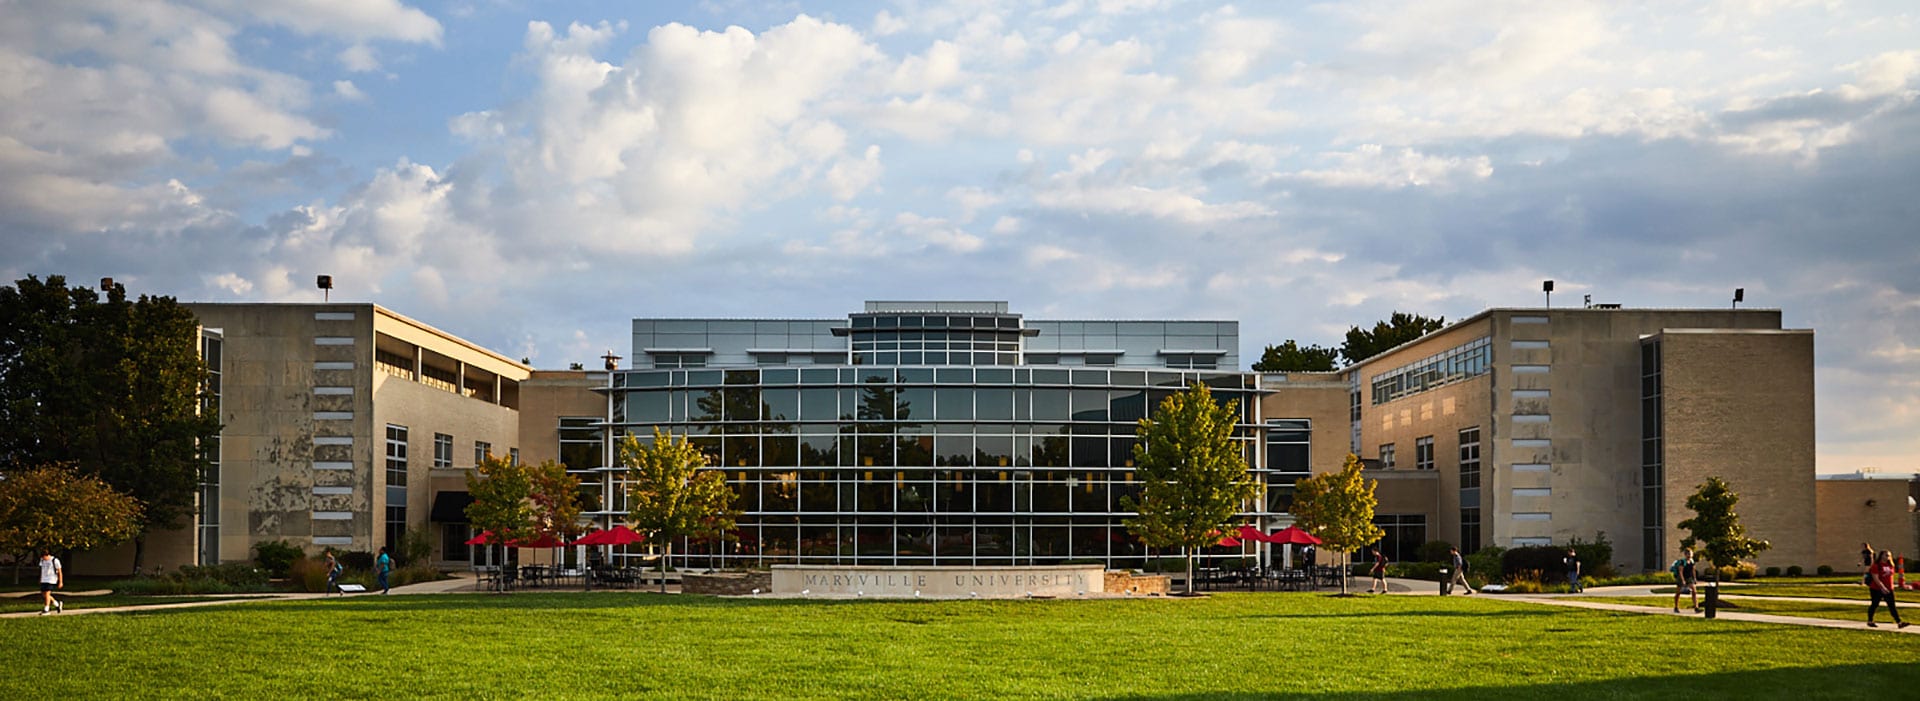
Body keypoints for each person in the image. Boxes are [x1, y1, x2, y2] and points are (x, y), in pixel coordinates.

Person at [1866, 549, 1910, 629]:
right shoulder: (1876, 566)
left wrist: (1892, 587)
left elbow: (1891, 577)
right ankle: (1870, 621)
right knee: (1875, 604)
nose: (1888, 557)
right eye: (1886, 555)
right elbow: (1876, 578)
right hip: (1877, 589)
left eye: (1889, 555)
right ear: (1881, 556)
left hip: (1889, 589)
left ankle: (1899, 622)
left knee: (1892, 606)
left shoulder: (1890, 565)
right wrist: (1882, 587)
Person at [1671, 547, 1699, 613]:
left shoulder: (1692, 561)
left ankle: (1696, 607)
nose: (1690, 555)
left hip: (1689, 578)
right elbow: (1680, 571)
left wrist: (1694, 578)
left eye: (1691, 554)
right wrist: (1683, 580)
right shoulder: (1682, 562)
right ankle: (1676, 607)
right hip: (1681, 577)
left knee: (1694, 591)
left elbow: (1693, 570)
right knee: (1678, 593)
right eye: (1688, 554)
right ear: (1685, 554)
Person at [39, 549, 64, 615]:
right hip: (44, 579)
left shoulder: (55, 560)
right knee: (44, 594)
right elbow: (42, 570)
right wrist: (40, 579)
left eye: (44, 557)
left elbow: (60, 571)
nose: (43, 558)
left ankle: (46, 609)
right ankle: (57, 604)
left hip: (51, 579)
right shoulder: (42, 560)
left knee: (47, 593)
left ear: (47, 555)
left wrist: (60, 581)